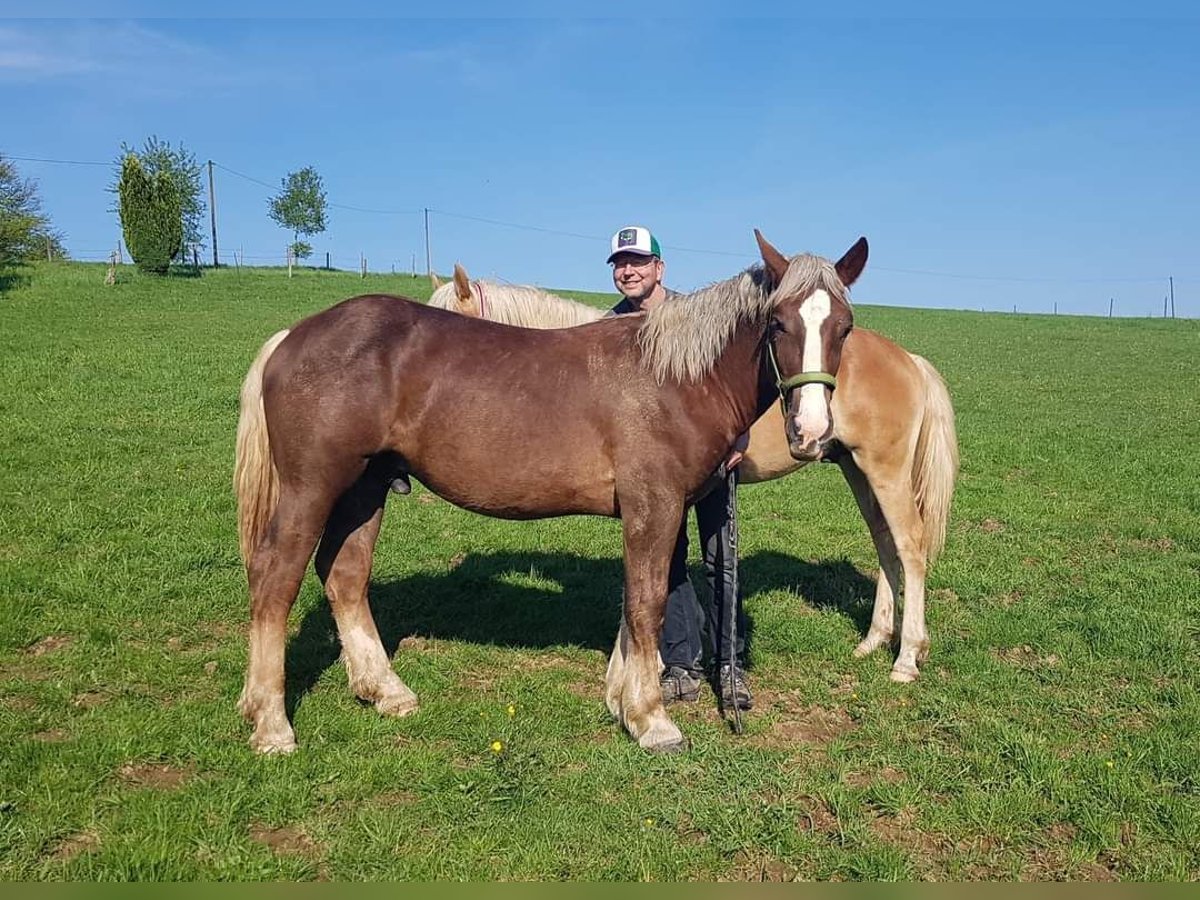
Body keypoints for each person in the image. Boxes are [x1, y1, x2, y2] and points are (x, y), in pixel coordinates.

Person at [604, 225, 753, 711]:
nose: (628, 270)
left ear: (659, 268)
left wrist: (739, 435)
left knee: (720, 557)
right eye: (620, 264)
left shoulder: (695, 318)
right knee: (669, 559)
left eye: (638, 262)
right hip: (653, 469)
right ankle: (682, 662)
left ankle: (730, 664)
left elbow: (737, 382)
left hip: (711, 456)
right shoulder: (610, 327)